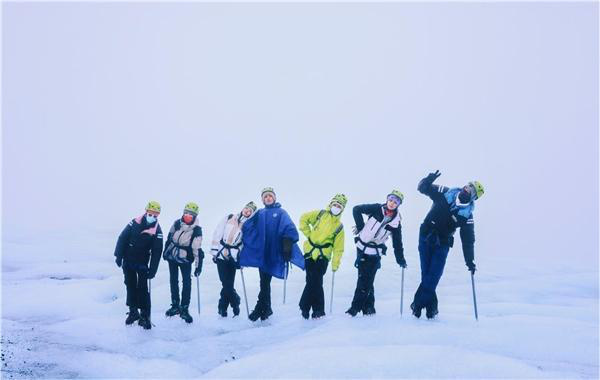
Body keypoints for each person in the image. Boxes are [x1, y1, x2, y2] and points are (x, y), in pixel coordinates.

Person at [410, 171, 484, 319]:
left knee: (434, 275)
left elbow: (468, 240)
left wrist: (469, 260)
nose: (467, 188)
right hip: (425, 236)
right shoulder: (445, 192)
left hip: (443, 243)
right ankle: (432, 309)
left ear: (474, 197)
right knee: (427, 274)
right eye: (468, 185)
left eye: (471, 189)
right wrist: (429, 179)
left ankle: (417, 304)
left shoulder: (467, 215)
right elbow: (422, 188)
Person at [239, 187, 305, 321]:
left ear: (274, 198)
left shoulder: (281, 212)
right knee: (264, 282)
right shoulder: (260, 213)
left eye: (270, 196)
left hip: (274, 252)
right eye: (265, 197)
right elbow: (250, 226)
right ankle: (266, 309)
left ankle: (260, 308)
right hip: (262, 252)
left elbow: (289, 228)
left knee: (265, 282)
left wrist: (287, 245)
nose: (268, 198)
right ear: (262, 200)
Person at [346, 190, 406, 317]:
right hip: (362, 248)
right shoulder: (376, 208)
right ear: (387, 199)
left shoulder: (396, 222)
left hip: (376, 251)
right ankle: (368, 307)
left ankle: (355, 308)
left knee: (366, 279)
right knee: (365, 278)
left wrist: (400, 259)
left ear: (398, 205)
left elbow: (397, 242)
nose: (392, 203)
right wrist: (360, 226)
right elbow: (356, 209)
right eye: (391, 200)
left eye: (395, 202)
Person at [114, 201, 164, 329]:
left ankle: (145, 316)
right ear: (146, 211)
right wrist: (118, 255)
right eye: (150, 213)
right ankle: (133, 312)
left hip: (142, 262)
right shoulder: (134, 222)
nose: (152, 216)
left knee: (142, 289)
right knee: (130, 286)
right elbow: (122, 238)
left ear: (158, 215)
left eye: (155, 215)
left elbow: (157, 251)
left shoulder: (157, 230)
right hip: (129, 260)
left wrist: (153, 269)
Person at [298, 194, 347, 319]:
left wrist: (335, 264)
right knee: (313, 281)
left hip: (323, 255)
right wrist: (309, 234)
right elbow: (303, 218)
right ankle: (317, 311)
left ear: (342, 210)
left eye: (339, 206)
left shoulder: (339, 227)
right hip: (310, 251)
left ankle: (305, 306)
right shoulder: (320, 214)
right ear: (330, 205)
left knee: (315, 281)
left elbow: (338, 248)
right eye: (335, 205)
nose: (336, 207)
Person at [210, 201, 257, 317]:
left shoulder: (249, 226)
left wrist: (242, 259)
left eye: (250, 211)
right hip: (221, 253)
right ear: (243, 208)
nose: (247, 211)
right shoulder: (229, 218)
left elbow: (246, 244)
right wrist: (215, 251)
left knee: (228, 283)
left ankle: (222, 309)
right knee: (225, 282)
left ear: (251, 214)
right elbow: (217, 233)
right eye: (246, 208)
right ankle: (235, 301)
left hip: (234, 256)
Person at [162, 202, 204, 323]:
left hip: (185, 259)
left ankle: (184, 308)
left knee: (186, 282)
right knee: (173, 280)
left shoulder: (196, 230)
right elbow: (169, 238)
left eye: (190, 215)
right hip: (172, 257)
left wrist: (198, 265)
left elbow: (197, 248)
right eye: (185, 213)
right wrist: (166, 252)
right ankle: (175, 305)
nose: (187, 216)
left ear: (194, 217)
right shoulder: (177, 223)